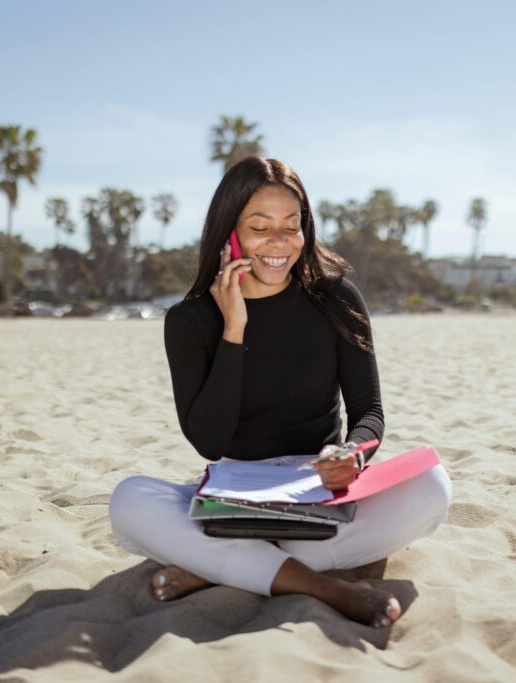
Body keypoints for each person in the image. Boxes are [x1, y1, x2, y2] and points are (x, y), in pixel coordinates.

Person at [108, 156, 451, 629]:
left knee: (434, 488)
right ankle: (322, 585)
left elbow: (369, 411)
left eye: (292, 226)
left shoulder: (336, 298)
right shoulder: (189, 321)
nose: (279, 243)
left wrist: (350, 453)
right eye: (260, 227)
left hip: (321, 494)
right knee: (129, 501)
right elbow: (209, 441)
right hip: (235, 498)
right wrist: (234, 328)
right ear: (229, 233)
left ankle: (222, 568)